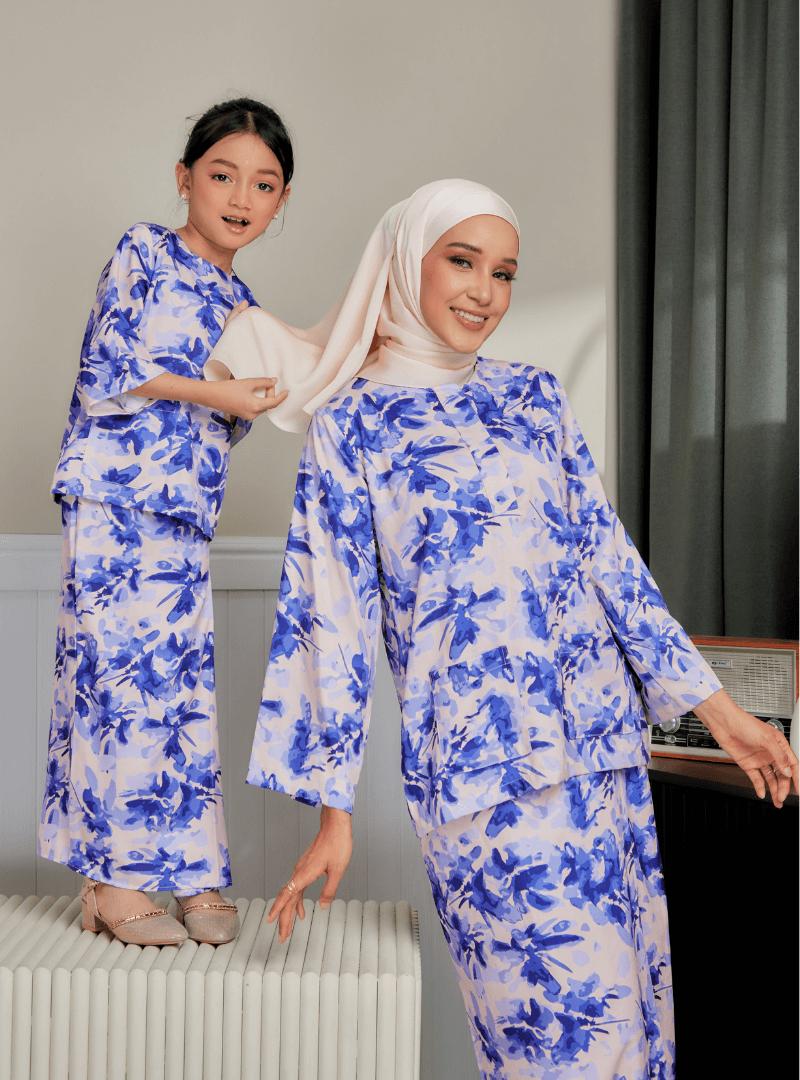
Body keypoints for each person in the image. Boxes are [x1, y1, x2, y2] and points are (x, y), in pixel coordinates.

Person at [208, 179, 798, 1078]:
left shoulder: (535, 398)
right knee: (555, 1048)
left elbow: (608, 563)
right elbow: (331, 618)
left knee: (632, 1031)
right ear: (408, 262)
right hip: (479, 777)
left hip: (600, 756)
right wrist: (333, 813)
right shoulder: (352, 424)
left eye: (505, 272)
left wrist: (721, 715)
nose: (484, 291)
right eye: (463, 261)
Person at [40, 98, 293, 947]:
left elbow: (231, 419)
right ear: (185, 178)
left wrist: (258, 394)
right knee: (116, 685)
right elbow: (111, 362)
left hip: (184, 513)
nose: (240, 197)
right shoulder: (143, 250)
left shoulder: (246, 306)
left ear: (281, 201)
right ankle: (110, 881)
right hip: (113, 496)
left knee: (180, 694)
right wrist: (216, 391)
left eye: (263, 184)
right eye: (222, 174)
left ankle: (191, 871)